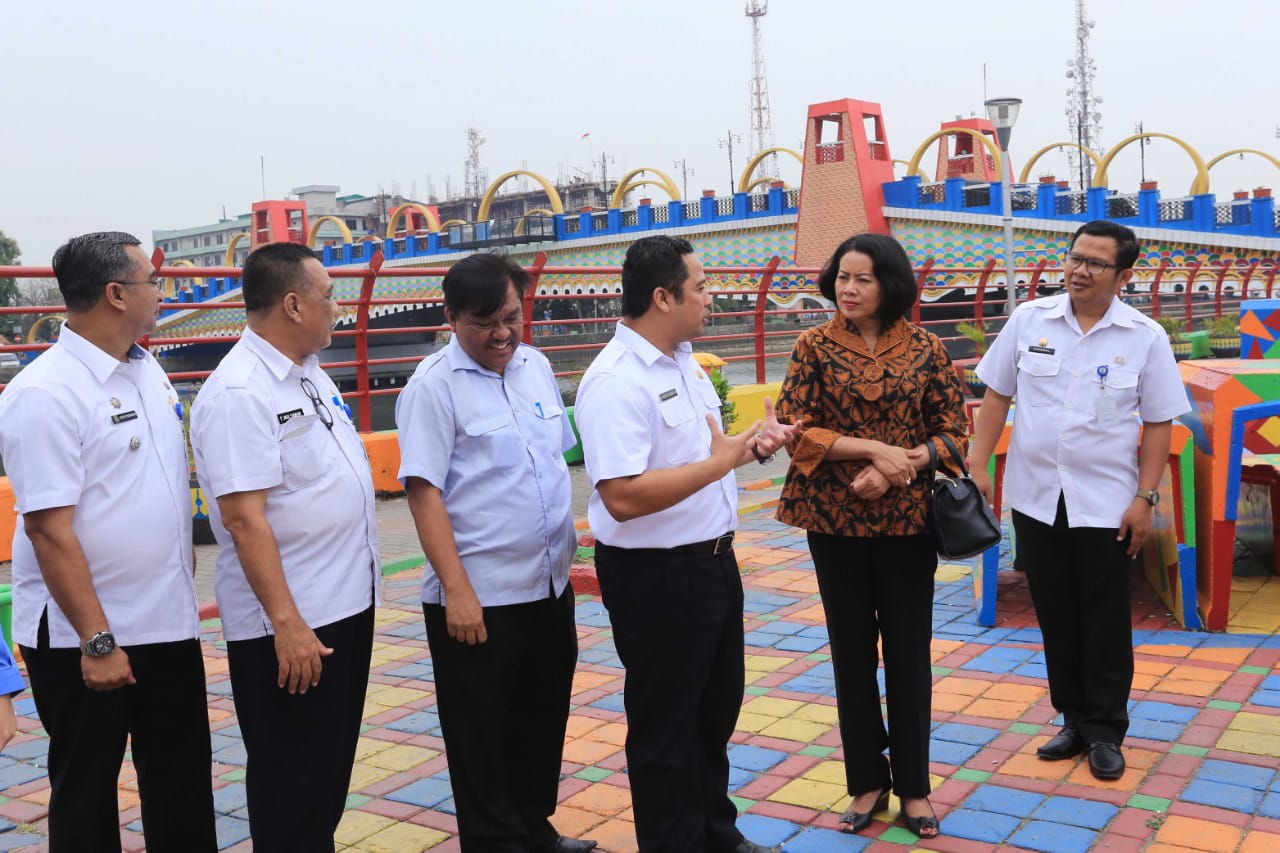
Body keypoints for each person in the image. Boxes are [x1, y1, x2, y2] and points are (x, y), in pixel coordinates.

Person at [575, 235, 795, 853]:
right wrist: (719, 463)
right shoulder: (615, 381)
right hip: (657, 576)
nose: (710, 298)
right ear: (663, 297)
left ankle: (715, 834)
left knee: (713, 711)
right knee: (666, 726)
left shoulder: (685, 363)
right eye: (700, 287)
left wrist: (746, 448)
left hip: (712, 563)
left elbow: (701, 458)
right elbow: (621, 496)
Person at [0, 231, 216, 852]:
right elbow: (48, 529)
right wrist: (98, 642)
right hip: (85, 638)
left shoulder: (146, 370)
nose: (163, 292)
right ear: (117, 294)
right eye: (154, 282)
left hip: (166, 622)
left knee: (181, 784)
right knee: (88, 793)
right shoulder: (45, 394)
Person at [970, 220, 1188, 780]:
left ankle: (1106, 730)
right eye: (1074, 258)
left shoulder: (1144, 337)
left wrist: (1145, 497)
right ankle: (1072, 719)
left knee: (1105, 617)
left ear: (1124, 276)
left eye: (1095, 263)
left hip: (1108, 503)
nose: (1079, 270)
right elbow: (995, 398)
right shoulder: (1030, 320)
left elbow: (1159, 423)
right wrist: (977, 468)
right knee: (1056, 613)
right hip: (1037, 498)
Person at [395, 253, 596, 853]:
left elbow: (553, 462)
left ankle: (533, 827)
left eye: (511, 317)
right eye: (485, 323)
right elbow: (423, 494)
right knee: (480, 732)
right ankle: (494, 841)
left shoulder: (535, 366)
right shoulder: (433, 387)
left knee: (541, 715)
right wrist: (457, 592)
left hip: (548, 584)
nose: (502, 334)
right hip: (478, 598)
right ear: (452, 317)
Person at [774, 232, 967, 839]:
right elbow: (794, 430)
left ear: (891, 284)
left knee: (909, 655)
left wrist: (897, 466)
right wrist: (873, 450)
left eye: (863, 278)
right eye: (842, 277)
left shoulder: (927, 348)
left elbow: (953, 432)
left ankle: (914, 787)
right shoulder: (812, 345)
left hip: (908, 523)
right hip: (834, 523)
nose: (849, 288)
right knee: (850, 654)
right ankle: (866, 780)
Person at [191, 242, 381, 851]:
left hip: (342, 604)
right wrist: (287, 623)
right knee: (291, 783)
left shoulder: (308, 372)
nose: (338, 308)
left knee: (324, 777)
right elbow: (244, 521)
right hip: (293, 624)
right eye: (329, 297)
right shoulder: (240, 393)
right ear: (294, 305)